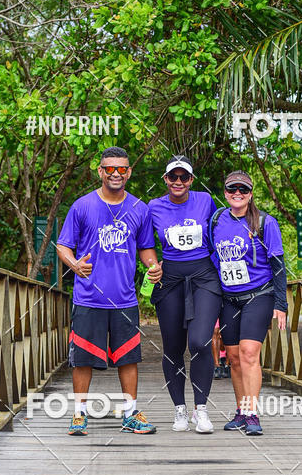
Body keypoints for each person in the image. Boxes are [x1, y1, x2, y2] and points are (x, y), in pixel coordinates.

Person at [56, 146, 163, 437]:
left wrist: (152, 266)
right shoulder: (82, 206)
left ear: (129, 172)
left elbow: (146, 248)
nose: (116, 173)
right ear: (100, 171)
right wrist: (74, 264)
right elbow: (63, 245)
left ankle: (130, 414)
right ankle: (79, 414)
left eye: (122, 169)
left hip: (124, 298)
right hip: (89, 296)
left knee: (128, 357)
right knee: (83, 358)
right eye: (110, 169)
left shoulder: (139, 208)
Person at [210, 170, 287, 435]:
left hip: (259, 295)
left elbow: (278, 265)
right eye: (232, 189)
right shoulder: (217, 220)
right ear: (226, 193)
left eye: (243, 190)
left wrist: (281, 303)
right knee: (233, 357)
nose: (238, 194)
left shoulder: (265, 222)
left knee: (249, 353)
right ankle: (242, 412)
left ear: (251, 194)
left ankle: (253, 414)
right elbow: (209, 258)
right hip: (229, 298)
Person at [148, 155, 222, 433]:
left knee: (201, 342)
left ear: (191, 180)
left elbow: (219, 234)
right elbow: (144, 243)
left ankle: (200, 410)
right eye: (173, 177)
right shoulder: (153, 207)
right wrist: (154, 266)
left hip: (204, 276)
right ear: (166, 180)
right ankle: (179, 409)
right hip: (171, 280)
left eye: (184, 177)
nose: (178, 182)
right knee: (173, 348)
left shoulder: (205, 201)